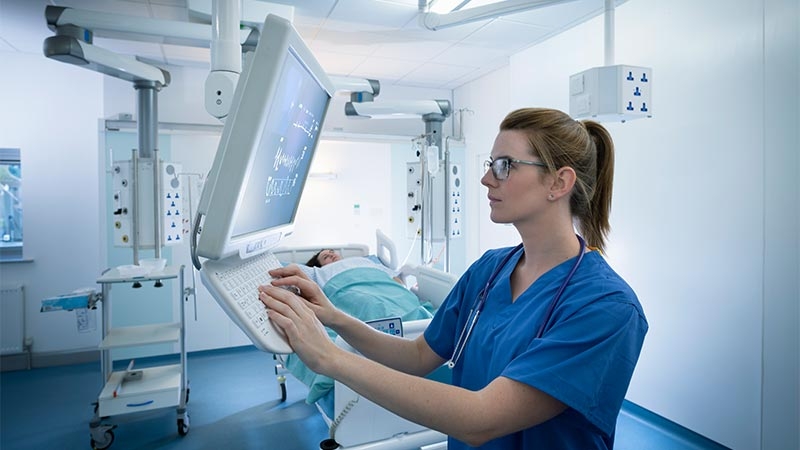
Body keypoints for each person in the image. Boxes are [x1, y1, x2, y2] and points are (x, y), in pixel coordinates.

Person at [259, 107, 648, 449]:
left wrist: (331, 358)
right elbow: (418, 356)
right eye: (490, 164)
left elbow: (481, 420)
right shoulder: (489, 269)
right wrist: (333, 317)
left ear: (559, 183)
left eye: (504, 166)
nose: (486, 180)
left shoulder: (606, 307)